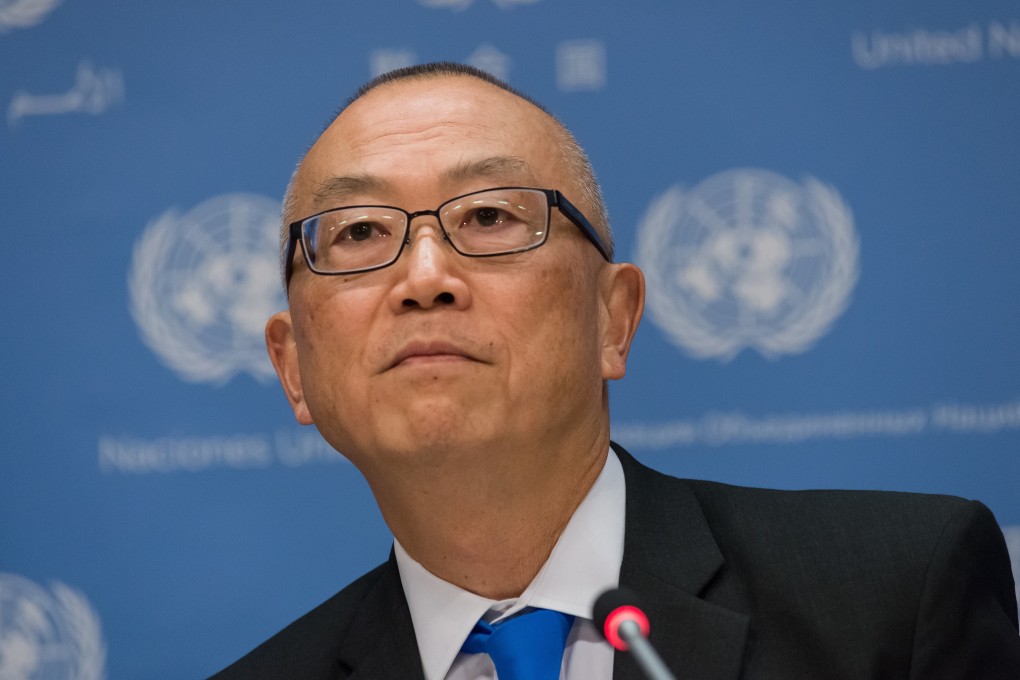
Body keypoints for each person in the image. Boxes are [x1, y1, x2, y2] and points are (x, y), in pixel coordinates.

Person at [212, 62, 1020, 679]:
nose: (425, 277)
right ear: (292, 368)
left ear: (614, 317)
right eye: (356, 232)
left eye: (490, 216)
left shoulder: (893, 598)